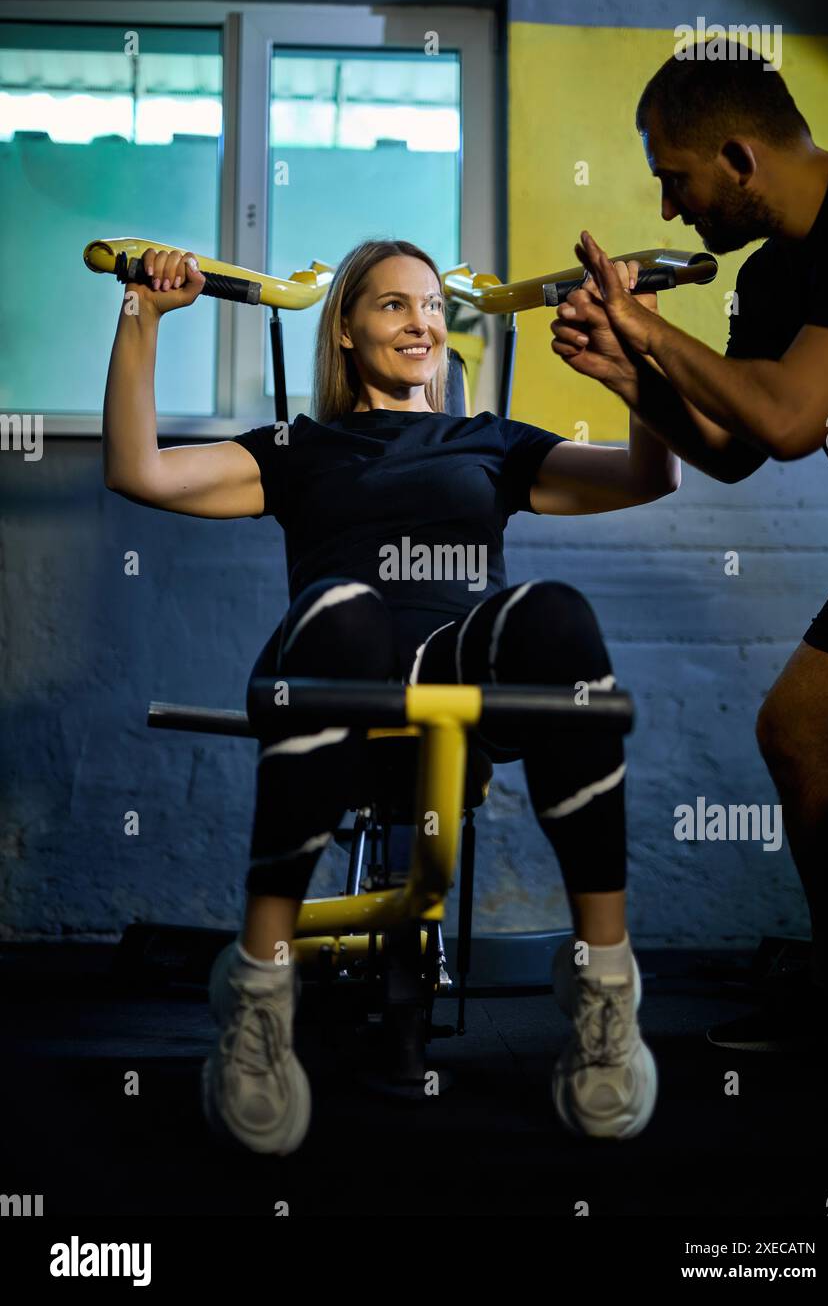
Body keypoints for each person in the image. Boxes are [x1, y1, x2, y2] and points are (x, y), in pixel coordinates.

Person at [102, 236, 679, 1155]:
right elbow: (139, 471)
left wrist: (641, 345)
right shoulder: (300, 448)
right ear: (345, 332)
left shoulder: (490, 440)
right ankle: (261, 987)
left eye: (432, 307)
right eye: (394, 306)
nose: (423, 323)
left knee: (556, 613)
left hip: (457, 672)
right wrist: (142, 315)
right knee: (345, 609)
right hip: (334, 671)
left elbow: (653, 475)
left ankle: (604, 985)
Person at [551, 42, 828, 1051]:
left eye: (673, 180)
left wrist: (648, 332)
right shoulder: (772, 276)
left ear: (735, 155)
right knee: (799, 734)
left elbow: (785, 418)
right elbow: (733, 451)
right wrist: (626, 373)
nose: (672, 210)